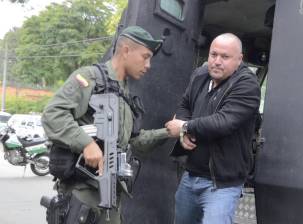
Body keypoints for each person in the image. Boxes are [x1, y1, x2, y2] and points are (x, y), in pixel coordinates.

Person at [41, 26, 169, 224]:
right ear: (126, 50)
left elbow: (134, 141)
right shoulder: (91, 78)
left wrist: (168, 132)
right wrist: (86, 143)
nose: (148, 64)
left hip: (111, 195)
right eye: (145, 56)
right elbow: (53, 115)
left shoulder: (125, 95)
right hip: (82, 191)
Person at [165, 33, 261, 224]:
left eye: (225, 57)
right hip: (190, 176)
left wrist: (184, 126)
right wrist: (184, 131)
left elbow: (223, 122)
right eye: (213, 55)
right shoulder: (200, 75)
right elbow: (184, 104)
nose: (216, 61)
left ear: (239, 59)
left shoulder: (247, 85)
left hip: (222, 185)